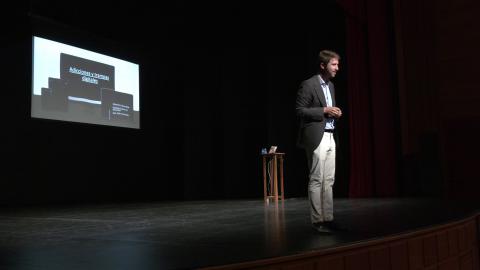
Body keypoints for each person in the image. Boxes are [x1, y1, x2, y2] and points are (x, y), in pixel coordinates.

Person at [295, 50, 342, 233]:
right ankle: (317, 221)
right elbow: (300, 110)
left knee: (329, 179)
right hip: (316, 136)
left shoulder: (331, 86)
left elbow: (329, 110)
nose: (337, 68)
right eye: (334, 64)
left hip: (331, 135)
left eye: (337, 65)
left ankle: (328, 218)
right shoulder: (308, 85)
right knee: (317, 179)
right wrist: (324, 110)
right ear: (323, 65)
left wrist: (335, 113)